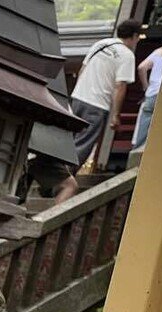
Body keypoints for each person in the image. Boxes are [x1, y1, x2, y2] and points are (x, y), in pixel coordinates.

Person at [58, 19, 143, 198]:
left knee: (69, 138)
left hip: (78, 98)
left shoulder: (101, 44)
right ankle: (63, 180)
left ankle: (55, 173)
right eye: (138, 37)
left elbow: (83, 69)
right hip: (97, 105)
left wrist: (78, 91)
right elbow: (120, 86)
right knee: (83, 144)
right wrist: (115, 114)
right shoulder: (127, 55)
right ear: (134, 36)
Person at [132, 34, 162, 151]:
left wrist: (146, 87)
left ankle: (136, 155)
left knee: (144, 128)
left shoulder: (159, 52)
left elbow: (142, 67)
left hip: (152, 94)